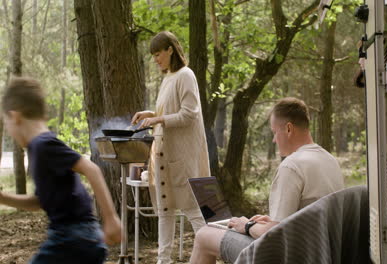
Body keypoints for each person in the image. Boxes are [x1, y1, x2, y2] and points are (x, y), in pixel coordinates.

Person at [190, 97, 345, 264]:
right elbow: (303, 218)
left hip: (290, 256)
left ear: (288, 129)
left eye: (274, 132)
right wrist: (268, 222)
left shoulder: (291, 166)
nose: (274, 140)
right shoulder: (329, 160)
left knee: (204, 235)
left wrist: (247, 226)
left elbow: (276, 235)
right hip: (321, 252)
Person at [0, 77, 122, 264]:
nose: (9, 132)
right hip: (79, 237)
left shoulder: (43, 144)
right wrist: (2, 197)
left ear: (15, 117)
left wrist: (111, 219)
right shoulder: (38, 149)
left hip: (74, 236)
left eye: (6, 124)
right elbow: (39, 202)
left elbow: (91, 169)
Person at [131, 31, 210, 264]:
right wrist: (151, 114)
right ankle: (162, 260)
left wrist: (158, 120)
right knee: (164, 211)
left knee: (194, 209)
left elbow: (189, 114)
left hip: (183, 156)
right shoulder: (168, 77)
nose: (155, 59)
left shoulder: (186, 75)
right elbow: (169, 111)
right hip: (164, 155)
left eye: (158, 54)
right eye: (153, 55)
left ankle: (210, 257)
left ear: (170, 50)